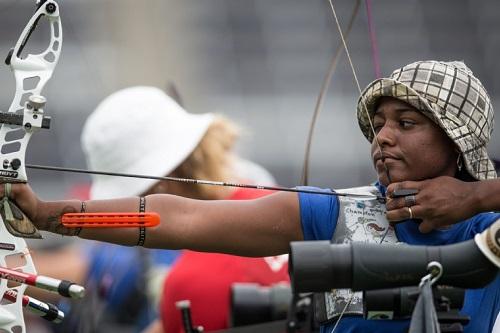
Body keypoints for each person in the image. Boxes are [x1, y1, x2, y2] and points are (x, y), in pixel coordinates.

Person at [6, 60, 500, 333]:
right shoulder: (337, 212)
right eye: (379, 125)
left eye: (406, 124)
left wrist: (476, 198)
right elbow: (173, 219)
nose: (383, 138)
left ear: (457, 145)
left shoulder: (488, 229)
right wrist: (53, 216)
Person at [80, 86, 288, 333]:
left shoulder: (186, 285)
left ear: (161, 186)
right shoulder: (286, 206)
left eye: (133, 202)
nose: (127, 218)